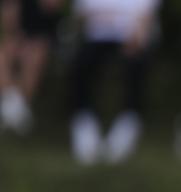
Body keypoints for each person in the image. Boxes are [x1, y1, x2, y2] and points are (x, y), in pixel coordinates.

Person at [68, 0, 160, 164]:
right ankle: (84, 124)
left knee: (135, 64)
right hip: (95, 38)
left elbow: (146, 14)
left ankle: (129, 122)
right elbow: (81, 15)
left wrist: (138, 33)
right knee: (81, 65)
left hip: (131, 37)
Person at [0, 0, 65, 134]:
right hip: (20, 34)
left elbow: (52, 7)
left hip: (44, 35)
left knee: (35, 56)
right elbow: (10, 20)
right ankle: (16, 110)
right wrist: (17, 35)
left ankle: (11, 110)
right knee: (4, 53)